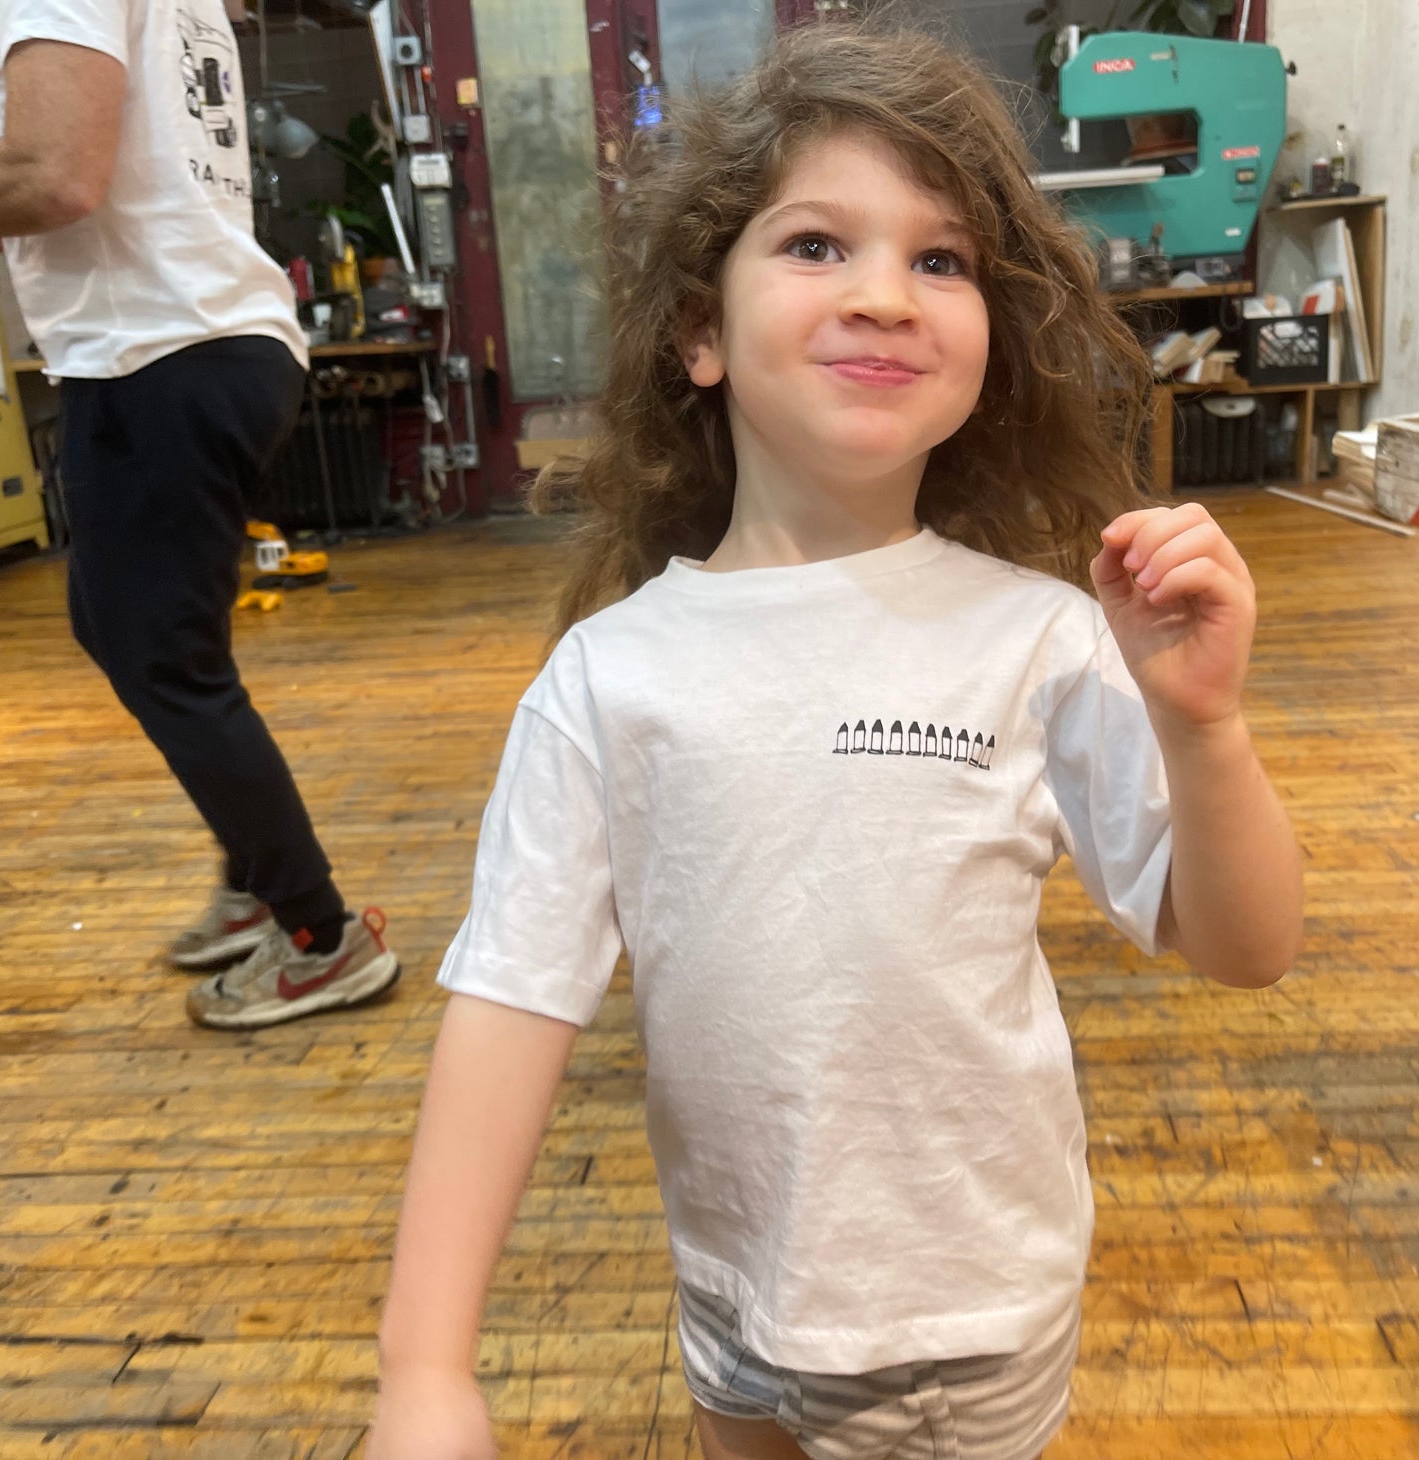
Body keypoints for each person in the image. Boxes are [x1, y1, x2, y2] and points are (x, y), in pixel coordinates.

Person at [370, 19, 1302, 1460]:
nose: (882, 294)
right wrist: (423, 1367)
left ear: (990, 342)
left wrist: (1204, 726)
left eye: (941, 260)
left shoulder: (1039, 638)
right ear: (699, 331)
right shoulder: (608, 676)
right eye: (815, 244)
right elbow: (509, 997)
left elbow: (1243, 943)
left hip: (957, 1326)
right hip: (728, 1294)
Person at [0, 0, 399, 1029]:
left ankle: (320, 937)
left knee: (164, 659)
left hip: (156, 351)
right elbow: (120, 164)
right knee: (126, 630)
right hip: (194, 339)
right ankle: (255, 881)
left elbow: (58, 173)